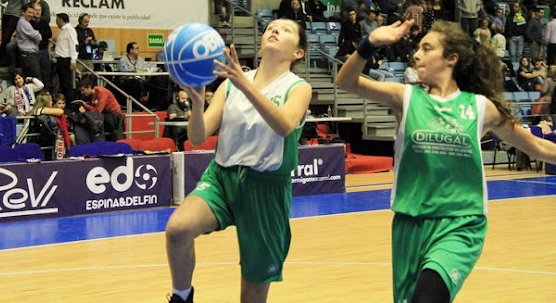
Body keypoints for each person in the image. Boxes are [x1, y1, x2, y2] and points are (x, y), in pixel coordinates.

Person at [335, 19, 556, 302]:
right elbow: (345, 81)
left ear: (451, 58)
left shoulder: (479, 107)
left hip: (460, 223)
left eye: (427, 48)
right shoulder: (406, 98)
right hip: (410, 223)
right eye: (417, 48)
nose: (417, 55)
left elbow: (537, 146)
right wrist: (371, 43)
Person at [166, 18, 312, 303]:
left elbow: (284, 125)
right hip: (222, 178)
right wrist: (197, 104)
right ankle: (181, 297)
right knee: (178, 229)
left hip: (266, 187)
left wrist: (244, 84)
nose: (275, 30)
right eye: (270, 27)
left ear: (298, 52)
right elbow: (197, 137)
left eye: (286, 30)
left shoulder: (298, 87)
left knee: (252, 294)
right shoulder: (230, 85)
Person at [74, 75, 124, 141]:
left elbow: (98, 111)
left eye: (83, 90)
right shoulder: (89, 95)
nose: (82, 93)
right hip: (104, 115)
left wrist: (85, 105)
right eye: (81, 91)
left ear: (89, 87)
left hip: (114, 115)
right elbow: (94, 108)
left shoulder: (101, 92)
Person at [54, 13, 78, 102]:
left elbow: (74, 45)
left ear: (61, 20)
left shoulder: (70, 30)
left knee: (67, 84)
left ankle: (71, 104)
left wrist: (73, 60)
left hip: (65, 60)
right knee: (63, 84)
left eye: (57, 21)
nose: (56, 23)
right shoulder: (63, 31)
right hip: (60, 60)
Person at [16, 4, 42, 80]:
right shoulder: (23, 23)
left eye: (32, 13)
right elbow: (38, 37)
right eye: (29, 12)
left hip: (28, 55)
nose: (31, 15)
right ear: (23, 12)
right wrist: (38, 35)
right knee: (36, 80)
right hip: (28, 55)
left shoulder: (26, 22)